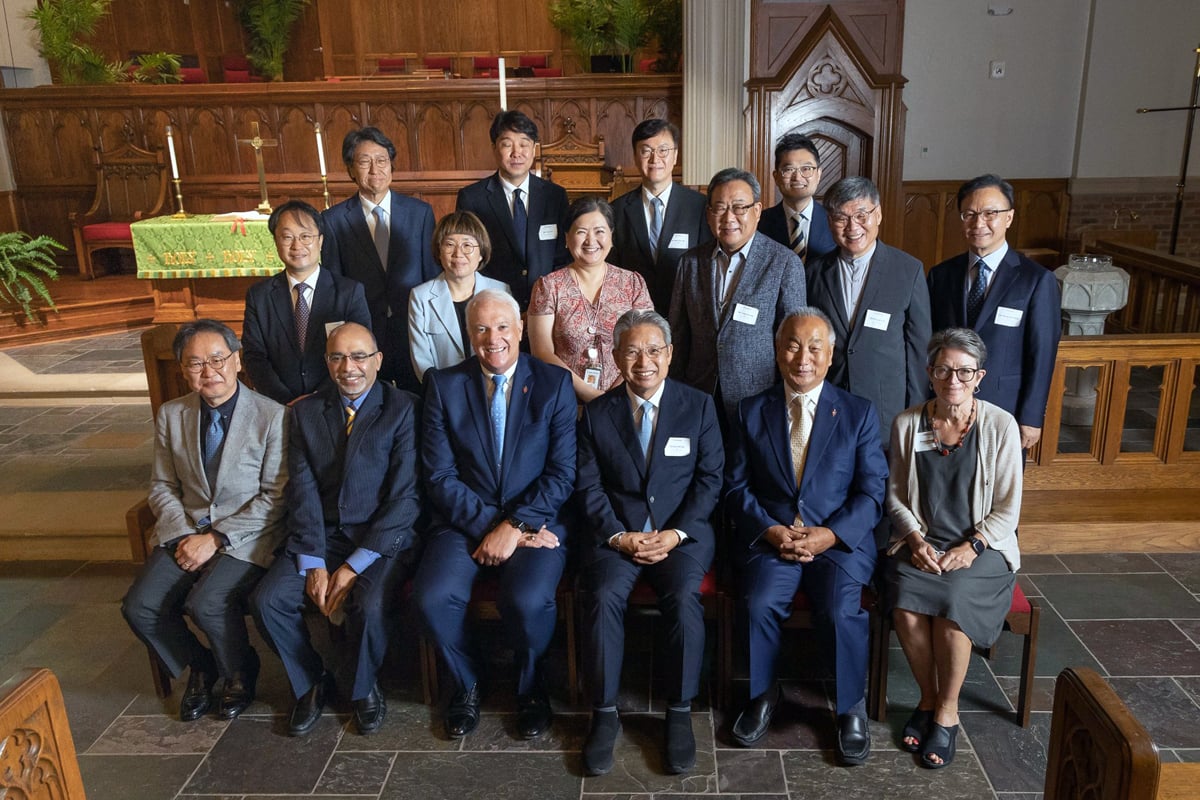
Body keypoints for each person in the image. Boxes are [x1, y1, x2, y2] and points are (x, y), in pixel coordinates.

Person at [725, 308, 887, 765]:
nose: (803, 357)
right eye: (793, 345)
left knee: (839, 609)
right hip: (773, 538)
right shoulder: (751, 411)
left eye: (815, 347)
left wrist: (831, 535)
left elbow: (872, 491)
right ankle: (762, 694)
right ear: (777, 352)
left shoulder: (858, 413)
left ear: (830, 354)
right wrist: (771, 530)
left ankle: (850, 706)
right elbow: (736, 487)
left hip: (835, 543)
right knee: (757, 603)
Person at [414, 289, 576, 740]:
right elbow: (440, 476)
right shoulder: (444, 385)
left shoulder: (553, 383)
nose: (493, 338)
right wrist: (492, 526)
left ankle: (530, 688)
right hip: (463, 521)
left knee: (525, 600)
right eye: (481, 328)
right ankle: (468, 681)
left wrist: (516, 526)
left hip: (537, 520)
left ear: (521, 328)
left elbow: (563, 474)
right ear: (469, 334)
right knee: (431, 598)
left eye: (503, 326)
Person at [251, 322, 421, 737]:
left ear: (378, 361)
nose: (350, 367)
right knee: (268, 600)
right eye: (338, 357)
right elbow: (302, 491)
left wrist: (352, 566)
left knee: (369, 604)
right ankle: (310, 681)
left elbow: (405, 499)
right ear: (326, 362)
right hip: (322, 536)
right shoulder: (306, 411)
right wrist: (313, 561)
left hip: (381, 538)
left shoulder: (404, 408)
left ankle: (363, 688)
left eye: (360, 356)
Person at [575, 309, 724, 776]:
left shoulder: (698, 406)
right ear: (616, 356)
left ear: (670, 354)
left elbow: (710, 478)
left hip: (681, 535)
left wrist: (676, 532)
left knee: (682, 597)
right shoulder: (597, 414)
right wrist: (619, 535)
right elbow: (588, 485)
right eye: (633, 351)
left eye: (654, 350)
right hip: (617, 534)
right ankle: (603, 714)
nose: (644, 361)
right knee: (601, 596)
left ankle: (678, 712)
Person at [122, 320, 287, 723]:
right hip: (184, 530)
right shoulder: (171, 414)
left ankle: (239, 672)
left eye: (217, 359)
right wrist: (182, 533)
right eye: (195, 363)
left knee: (206, 603)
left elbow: (275, 496)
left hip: (247, 534)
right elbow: (161, 485)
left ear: (237, 361)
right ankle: (201, 665)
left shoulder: (271, 415)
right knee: (139, 606)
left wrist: (214, 538)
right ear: (182, 369)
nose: (208, 371)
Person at [885, 328, 1022, 769]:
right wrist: (913, 537)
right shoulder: (909, 423)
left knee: (952, 607)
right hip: (925, 540)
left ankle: (947, 712)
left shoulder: (1000, 426)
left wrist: (973, 545)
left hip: (983, 547)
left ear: (979, 376)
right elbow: (894, 495)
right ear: (930, 372)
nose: (953, 379)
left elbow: (1008, 509)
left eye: (964, 371)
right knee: (905, 606)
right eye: (944, 369)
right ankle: (926, 700)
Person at [927, 174, 1061, 451]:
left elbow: (1042, 354)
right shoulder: (941, 275)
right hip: (948, 407)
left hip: (1006, 408)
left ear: (1009, 218)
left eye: (990, 213)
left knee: (999, 489)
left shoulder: (1035, 280)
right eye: (970, 214)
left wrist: (1031, 417)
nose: (979, 223)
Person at [669, 167, 807, 427]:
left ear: (757, 211)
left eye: (739, 207)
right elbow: (679, 333)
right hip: (699, 394)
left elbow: (792, 340)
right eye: (720, 208)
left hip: (759, 399)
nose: (729, 217)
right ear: (709, 214)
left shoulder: (784, 263)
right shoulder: (690, 263)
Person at [804, 176, 931, 443]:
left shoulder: (908, 270)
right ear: (829, 222)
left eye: (862, 215)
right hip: (829, 401)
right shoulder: (814, 271)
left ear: (879, 214)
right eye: (841, 218)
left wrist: (918, 411)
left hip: (886, 408)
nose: (852, 227)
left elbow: (919, 347)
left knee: (880, 481)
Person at [321, 126, 439, 391]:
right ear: (351, 169)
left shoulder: (419, 213)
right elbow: (334, 287)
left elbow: (431, 277)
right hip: (363, 335)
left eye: (382, 160)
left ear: (391, 166)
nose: (375, 169)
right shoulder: (333, 221)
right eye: (365, 161)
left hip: (413, 330)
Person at [242, 199, 372, 405]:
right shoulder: (259, 296)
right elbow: (254, 356)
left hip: (334, 402)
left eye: (305, 237)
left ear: (320, 241)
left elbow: (359, 353)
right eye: (287, 237)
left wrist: (317, 398)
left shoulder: (349, 292)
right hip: (278, 405)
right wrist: (285, 400)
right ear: (276, 242)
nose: (297, 246)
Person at [528, 197, 654, 403]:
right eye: (581, 232)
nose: (590, 240)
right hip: (565, 399)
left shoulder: (632, 283)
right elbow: (541, 351)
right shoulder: (548, 286)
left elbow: (645, 344)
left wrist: (616, 393)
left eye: (599, 231)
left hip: (626, 397)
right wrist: (588, 394)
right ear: (567, 239)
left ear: (611, 237)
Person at [456, 110, 570, 308]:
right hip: (493, 303)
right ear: (494, 148)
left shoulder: (555, 196)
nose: (516, 152)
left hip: (547, 304)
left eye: (524, 144)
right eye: (507, 144)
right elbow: (468, 256)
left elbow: (562, 255)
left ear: (534, 149)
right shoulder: (472, 198)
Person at [608, 119, 712, 314]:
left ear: (675, 156)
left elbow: (706, 269)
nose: (655, 159)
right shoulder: (616, 210)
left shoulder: (699, 207)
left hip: (686, 315)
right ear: (636, 156)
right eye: (646, 151)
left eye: (663, 150)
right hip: (634, 318)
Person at [408, 210, 511, 382]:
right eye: (449, 245)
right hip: (442, 391)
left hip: (492, 386)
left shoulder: (501, 291)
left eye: (467, 245)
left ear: (481, 253)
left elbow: (508, 349)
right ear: (439, 251)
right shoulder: (421, 296)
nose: (458, 253)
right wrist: (442, 392)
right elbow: (421, 359)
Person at [758, 133, 836, 263]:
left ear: (819, 174)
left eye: (806, 169)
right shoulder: (759, 223)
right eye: (789, 169)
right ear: (776, 177)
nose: (797, 177)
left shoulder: (834, 221)